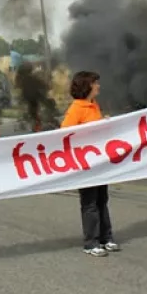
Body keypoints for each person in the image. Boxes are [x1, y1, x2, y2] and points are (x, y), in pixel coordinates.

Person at [61, 71, 119, 257]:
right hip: (84, 164)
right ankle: (91, 243)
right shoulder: (77, 108)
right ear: (87, 86)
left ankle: (106, 238)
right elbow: (65, 133)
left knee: (102, 200)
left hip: (99, 162)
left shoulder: (94, 106)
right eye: (95, 83)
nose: (98, 86)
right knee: (90, 203)